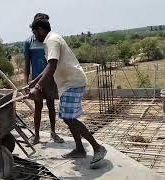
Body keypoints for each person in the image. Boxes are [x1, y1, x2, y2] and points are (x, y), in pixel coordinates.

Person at [28, 19, 107, 163]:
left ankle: (97, 147)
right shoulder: (51, 40)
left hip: (73, 82)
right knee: (66, 117)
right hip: (67, 84)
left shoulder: (52, 40)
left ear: (40, 30)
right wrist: (34, 82)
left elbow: (52, 65)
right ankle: (79, 149)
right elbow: (48, 67)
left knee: (69, 117)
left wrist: (37, 87)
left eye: (34, 32)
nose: (34, 36)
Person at [24, 13, 64, 145]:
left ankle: (53, 133)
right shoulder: (28, 42)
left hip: (50, 79)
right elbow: (26, 64)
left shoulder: (50, 41)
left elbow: (53, 63)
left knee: (52, 106)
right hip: (36, 80)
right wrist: (27, 82)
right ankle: (36, 136)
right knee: (38, 107)